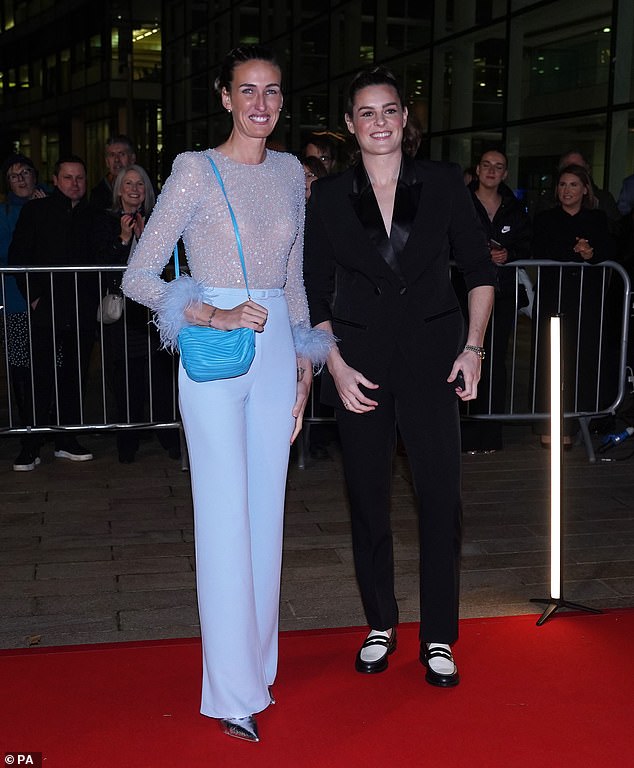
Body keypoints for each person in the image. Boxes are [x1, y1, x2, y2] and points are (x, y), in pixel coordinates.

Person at [121, 44, 333, 742]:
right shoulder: (192, 171)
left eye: (272, 91)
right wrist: (210, 312)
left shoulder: (290, 174)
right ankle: (229, 692)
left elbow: (295, 278)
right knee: (223, 520)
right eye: (247, 90)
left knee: (266, 516)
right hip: (215, 352)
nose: (260, 104)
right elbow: (139, 276)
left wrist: (305, 365)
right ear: (224, 97)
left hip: (276, 354)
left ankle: (257, 667)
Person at [303, 66, 495, 688]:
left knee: (441, 498)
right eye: (366, 112)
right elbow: (314, 290)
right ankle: (380, 622)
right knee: (367, 499)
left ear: (405, 118)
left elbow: (478, 269)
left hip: (436, 360)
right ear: (351, 123)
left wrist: (473, 348)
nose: (379, 122)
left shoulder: (440, 183)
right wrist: (333, 363)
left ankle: (439, 635)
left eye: (389, 110)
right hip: (359, 364)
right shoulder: (330, 196)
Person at [9, 155, 110, 464]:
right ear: (55, 180)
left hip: (80, 309)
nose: (75, 183)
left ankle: (67, 438)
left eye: (79, 177)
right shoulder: (35, 211)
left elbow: (102, 258)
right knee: (38, 377)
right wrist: (35, 296)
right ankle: (31, 444)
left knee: (75, 376)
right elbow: (17, 257)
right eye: (68, 177)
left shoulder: (95, 215)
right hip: (46, 307)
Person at [531, 163, 615, 446]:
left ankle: (580, 421)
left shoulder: (597, 218)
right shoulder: (545, 219)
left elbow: (607, 249)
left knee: (583, 359)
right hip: (554, 297)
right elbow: (539, 249)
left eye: (574, 185)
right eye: (563, 184)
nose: (567, 190)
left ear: (585, 190)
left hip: (587, 301)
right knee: (551, 358)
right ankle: (550, 426)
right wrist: (574, 251)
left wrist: (590, 252)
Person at [103, 164, 181, 463]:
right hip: (123, 313)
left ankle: (168, 437)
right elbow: (104, 263)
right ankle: (128, 442)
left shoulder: (159, 221)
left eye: (140, 184)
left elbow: (171, 262)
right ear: (119, 189)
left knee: (161, 376)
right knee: (127, 378)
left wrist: (147, 235)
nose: (134, 189)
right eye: (128, 184)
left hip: (153, 309)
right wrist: (123, 238)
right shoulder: (106, 221)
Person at [460, 148, 531, 453]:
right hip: (462, 294)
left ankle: (491, 433)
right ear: (477, 169)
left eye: (498, 166)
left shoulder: (515, 208)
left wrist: (509, 254)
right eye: (486, 165)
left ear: (504, 173)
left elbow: (529, 244)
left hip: (501, 295)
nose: (491, 170)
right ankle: (462, 431)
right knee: (461, 358)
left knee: (495, 360)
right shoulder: (460, 201)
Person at [0, 154, 48, 470]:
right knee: (21, 369)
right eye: (13, 175)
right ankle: (29, 432)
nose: (20, 179)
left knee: (51, 368)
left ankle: (53, 429)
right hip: (16, 304)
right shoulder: (3, 213)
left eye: (25, 172)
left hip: (47, 303)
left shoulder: (49, 203)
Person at [89, 135, 137, 211]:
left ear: (132, 159)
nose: (117, 160)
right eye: (112, 155)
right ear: (107, 162)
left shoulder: (145, 188)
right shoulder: (98, 194)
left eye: (121, 154)